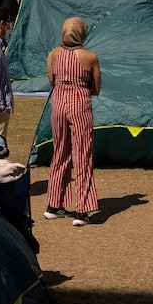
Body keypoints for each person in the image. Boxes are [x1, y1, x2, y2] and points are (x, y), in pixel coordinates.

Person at [45, 17, 103, 227]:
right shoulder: (89, 57)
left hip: (58, 105)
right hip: (79, 106)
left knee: (59, 152)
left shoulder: (53, 54)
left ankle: (54, 204)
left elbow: (51, 80)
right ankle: (82, 209)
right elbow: (96, 88)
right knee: (83, 154)